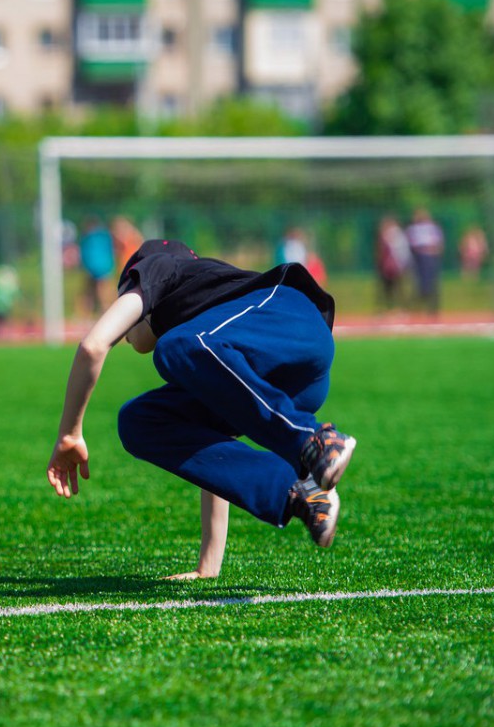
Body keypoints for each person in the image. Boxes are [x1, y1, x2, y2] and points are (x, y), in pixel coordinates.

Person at [46, 239, 357, 578]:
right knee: (141, 421)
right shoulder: (205, 344)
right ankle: (301, 494)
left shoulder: (157, 267)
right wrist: (207, 567)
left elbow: (93, 346)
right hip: (287, 376)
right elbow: (212, 451)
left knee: (176, 347)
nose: (125, 337)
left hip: (290, 321)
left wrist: (69, 433)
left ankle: (315, 441)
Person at [405, 208, 444, 316]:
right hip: (418, 256)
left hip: (431, 256)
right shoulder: (413, 228)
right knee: (418, 284)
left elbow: (438, 243)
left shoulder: (433, 228)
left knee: (432, 283)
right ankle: (417, 308)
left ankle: (432, 309)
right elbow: (411, 243)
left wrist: (433, 251)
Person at [78, 217, 115, 316]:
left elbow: (85, 254)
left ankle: (89, 313)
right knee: (100, 291)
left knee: (93, 291)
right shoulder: (104, 236)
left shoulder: (88, 237)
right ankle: (105, 311)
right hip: (104, 266)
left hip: (96, 267)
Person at [375, 215, 411, 313]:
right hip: (387, 266)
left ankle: (401, 308)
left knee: (398, 287)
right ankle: (388, 308)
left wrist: (401, 264)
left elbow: (401, 251)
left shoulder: (396, 235)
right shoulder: (385, 235)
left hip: (396, 265)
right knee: (387, 288)